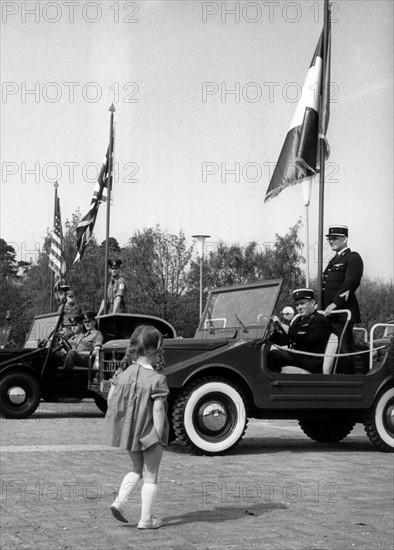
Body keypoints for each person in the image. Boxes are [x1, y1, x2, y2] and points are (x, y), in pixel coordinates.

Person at [104, 325, 169, 529]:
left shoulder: (122, 374)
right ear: (152, 351)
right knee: (151, 476)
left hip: (129, 432)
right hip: (149, 433)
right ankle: (146, 520)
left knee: (136, 469)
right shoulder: (157, 379)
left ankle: (119, 502)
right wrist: (158, 435)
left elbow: (110, 400)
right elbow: (158, 410)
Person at [322, 225, 364, 374]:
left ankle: (347, 380)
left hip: (342, 313)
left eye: (335, 238)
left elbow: (350, 283)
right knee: (329, 348)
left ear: (345, 239)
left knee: (343, 347)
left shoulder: (353, 258)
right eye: (330, 239)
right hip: (330, 314)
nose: (331, 241)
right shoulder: (333, 260)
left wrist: (334, 304)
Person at [267, 288, 331, 374]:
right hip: (297, 357)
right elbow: (287, 340)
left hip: (309, 360)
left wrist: (282, 325)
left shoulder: (320, 320)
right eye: (297, 305)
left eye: (302, 304)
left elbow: (306, 337)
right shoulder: (298, 320)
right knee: (264, 352)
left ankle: (271, 384)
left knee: (273, 355)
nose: (299, 308)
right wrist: (271, 333)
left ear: (312, 303)